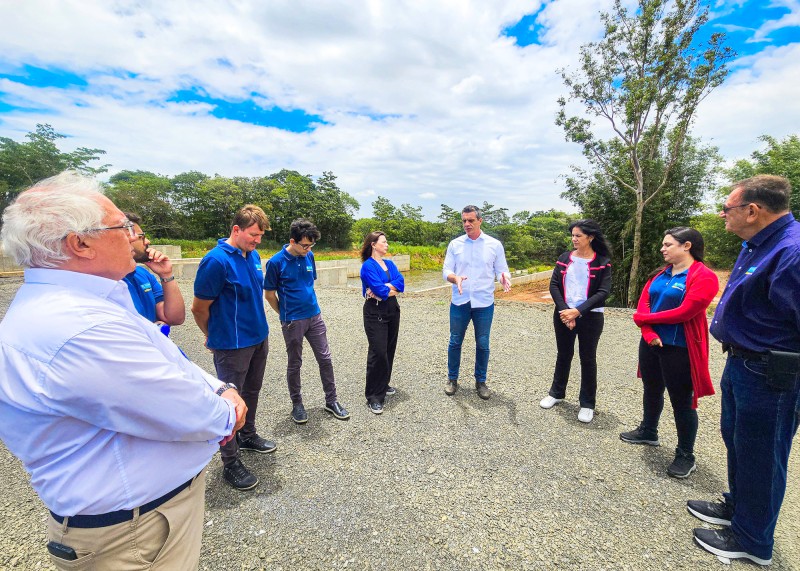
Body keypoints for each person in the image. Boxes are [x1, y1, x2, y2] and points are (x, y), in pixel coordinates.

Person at [0, 172, 246, 570]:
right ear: (79, 243)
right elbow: (189, 412)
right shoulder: (79, 328)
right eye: (123, 227)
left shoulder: (83, 303)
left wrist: (219, 388)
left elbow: (164, 352)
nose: (133, 236)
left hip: (138, 520)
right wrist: (227, 405)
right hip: (132, 533)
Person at [688, 175, 800, 566]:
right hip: (743, 362)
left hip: (771, 373)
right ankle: (739, 508)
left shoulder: (792, 250)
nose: (723, 215)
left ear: (753, 211)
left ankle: (752, 540)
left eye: (728, 208)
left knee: (762, 453)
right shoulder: (758, 244)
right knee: (739, 442)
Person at [621, 228, 718, 479]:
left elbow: (686, 312)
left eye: (668, 244)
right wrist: (649, 333)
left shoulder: (704, 277)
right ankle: (648, 431)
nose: (663, 249)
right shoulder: (660, 274)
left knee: (682, 402)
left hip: (680, 347)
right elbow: (643, 305)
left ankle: (686, 454)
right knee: (651, 389)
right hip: (652, 343)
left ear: (687, 246)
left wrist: (645, 319)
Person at [192, 205, 276, 492]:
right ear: (236, 229)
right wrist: (212, 335)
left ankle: (247, 434)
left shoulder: (252, 256)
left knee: (252, 392)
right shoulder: (215, 261)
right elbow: (199, 308)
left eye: (260, 236)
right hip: (232, 344)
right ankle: (230, 461)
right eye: (253, 235)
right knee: (229, 402)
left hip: (258, 338)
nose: (257, 241)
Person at [263, 218, 350, 423]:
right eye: (305, 245)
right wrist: (285, 315)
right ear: (292, 241)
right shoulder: (276, 262)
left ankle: (332, 400)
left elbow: (309, 284)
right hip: (292, 320)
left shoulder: (309, 256)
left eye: (311, 245)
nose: (308, 249)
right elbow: (269, 295)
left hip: (315, 316)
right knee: (295, 363)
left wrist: (309, 309)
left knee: (325, 358)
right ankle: (297, 404)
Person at [540, 219, 612, 423]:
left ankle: (587, 403)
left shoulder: (602, 262)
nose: (574, 239)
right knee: (563, 354)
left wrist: (577, 312)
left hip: (591, 316)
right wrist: (565, 311)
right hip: (563, 314)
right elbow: (554, 285)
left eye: (578, 235)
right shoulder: (564, 258)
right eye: (572, 235)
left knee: (587, 358)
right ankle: (556, 393)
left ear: (590, 237)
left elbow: (603, 292)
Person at [442, 205, 511, 400]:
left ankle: (481, 381)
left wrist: (504, 278)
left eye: (471, 220)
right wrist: (454, 278)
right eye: (464, 220)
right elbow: (446, 270)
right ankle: (452, 379)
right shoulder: (455, 244)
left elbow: (502, 270)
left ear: (480, 220)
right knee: (455, 341)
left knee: (483, 343)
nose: (467, 224)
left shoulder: (494, 245)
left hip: (484, 302)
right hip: (460, 300)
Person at [359, 231, 405, 414]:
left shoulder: (390, 263)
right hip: (375, 311)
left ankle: (383, 384)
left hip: (392, 309)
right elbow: (378, 291)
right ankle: (373, 396)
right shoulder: (367, 267)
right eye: (384, 242)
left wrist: (387, 289)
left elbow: (401, 283)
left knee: (389, 349)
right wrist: (387, 289)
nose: (386, 245)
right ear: (373, 244)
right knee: (378, 352)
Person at [122, 212, 185, 327]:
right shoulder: (109, 281)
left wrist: (166, 274)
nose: (147, 242)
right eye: (142, 237)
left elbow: (174, 318)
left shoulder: (142, 274)